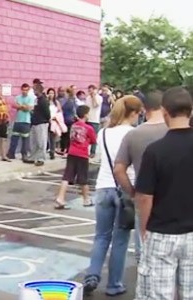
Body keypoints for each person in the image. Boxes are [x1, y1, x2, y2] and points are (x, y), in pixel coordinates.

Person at [133, 87, 193, 300]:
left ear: (165, 112)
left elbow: (144, 196)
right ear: (191, 112)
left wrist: (144, 228)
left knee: (158, 294)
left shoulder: (156, 151)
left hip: (162, 232)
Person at [82, 96, 143, 296]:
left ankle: (92, 274)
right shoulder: (135, 134)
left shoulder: (104, 132)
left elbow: (99, 159)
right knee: (120, 239)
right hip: (126, 188)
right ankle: (114, 284)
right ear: (133, 113)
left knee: (101, 236)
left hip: (103, 187)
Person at [113, 91, 166, 263]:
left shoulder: (134, 135)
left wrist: (132, 192)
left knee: (143, 253)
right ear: (164, 108)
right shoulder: (174, 133)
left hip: (143, 196)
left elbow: (118, 170)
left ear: (145, 109)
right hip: (173, 199)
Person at [54, 105, 96, 209]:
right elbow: (94, 140)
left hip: (72, 152)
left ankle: (60, 197)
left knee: (67, 176)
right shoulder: (88, 128)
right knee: (83, 178)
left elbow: (71, 137)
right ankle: (86, 199)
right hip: (82, 154)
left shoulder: (73, 125)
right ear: (86, 114)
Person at [6, 83, 33, 161]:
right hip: (17, 120)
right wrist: (23, 106)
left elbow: (29, 108)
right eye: (23, 90)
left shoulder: (31, 98)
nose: (24, 91)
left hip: (26, 121)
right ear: (21, 90)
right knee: (14, 137)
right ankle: (11, 153)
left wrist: (20, 106)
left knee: (25, 139)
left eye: (26, 90)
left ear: (28, 90)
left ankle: (24, 154)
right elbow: (14, 105)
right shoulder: (18, 97)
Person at [28, 84, 50, 166]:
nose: (33, 91)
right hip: (35, 122)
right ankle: (33, 157)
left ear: (38, 90)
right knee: (34, 142)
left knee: (41, 142)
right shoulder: (37, 100)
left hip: (41, 123)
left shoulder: (43, 100)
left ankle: (41, 159)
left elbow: (47, 113)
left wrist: (46, 120)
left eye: (34, 90)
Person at [86, 85, 103, 159]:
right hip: (88, 119)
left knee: (94, 137)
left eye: (92, 90)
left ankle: (93, 152)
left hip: (95, 120)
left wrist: (93, 97)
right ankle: (86, 150)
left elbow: (95, 105)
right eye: (89, 90)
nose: (90, 92)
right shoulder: (87, 98)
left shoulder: (99, 98)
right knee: (86, 137)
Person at [46, 88, 63, 159]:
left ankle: (52, 152)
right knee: (45, 137)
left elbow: (60, 111)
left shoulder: (56, 102)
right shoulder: (46, 102)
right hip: (47, 120)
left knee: (52, 137)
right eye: (50, 93)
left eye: (52, 93)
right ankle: (46, 149)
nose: (51, 95)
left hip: (54, 121)